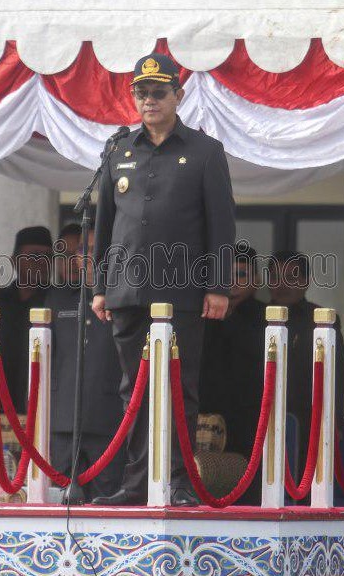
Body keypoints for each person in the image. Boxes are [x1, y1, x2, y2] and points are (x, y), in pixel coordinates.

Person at [91, 52, 235, 507]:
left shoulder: (204, 151)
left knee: (178, 388)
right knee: (132, 389)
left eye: (159, 92)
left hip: (183, 292)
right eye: (142, 92)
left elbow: (222, 225)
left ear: (178, 95)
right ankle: (135, 484)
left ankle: (180, 481)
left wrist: (218, 285)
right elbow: (105, 225)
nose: (149, 100)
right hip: (128, 290)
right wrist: (99, 286)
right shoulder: (119, 149)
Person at [49, 227, 124, 499]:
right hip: (61, 419)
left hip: (109, 417)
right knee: (57, 501)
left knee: (106, 503)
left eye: (95, 250)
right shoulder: (57, 299)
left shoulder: (124, 300)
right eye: (83, 250)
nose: (87, 257)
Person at [268, 250, 344, 469]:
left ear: (305, 281)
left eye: (291, 278)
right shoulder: (258, 318)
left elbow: (337, 375)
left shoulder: (321, 320)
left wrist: (335, 420)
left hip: (307, 418)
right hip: (264, 416)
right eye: (276, 278)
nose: (282, 285)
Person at [200, 243, 267, 487]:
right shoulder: (204, 315)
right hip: (208, 412)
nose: (234, 282)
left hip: (250, 414)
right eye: (227, 277)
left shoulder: (266, 316)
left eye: (241, 275)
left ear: (256, 280)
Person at [0, 226, 54, 410]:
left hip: (42, 404)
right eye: (34, 255)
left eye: (47, 257)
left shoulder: (56, 303)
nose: (41, 262)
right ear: (14, 260)